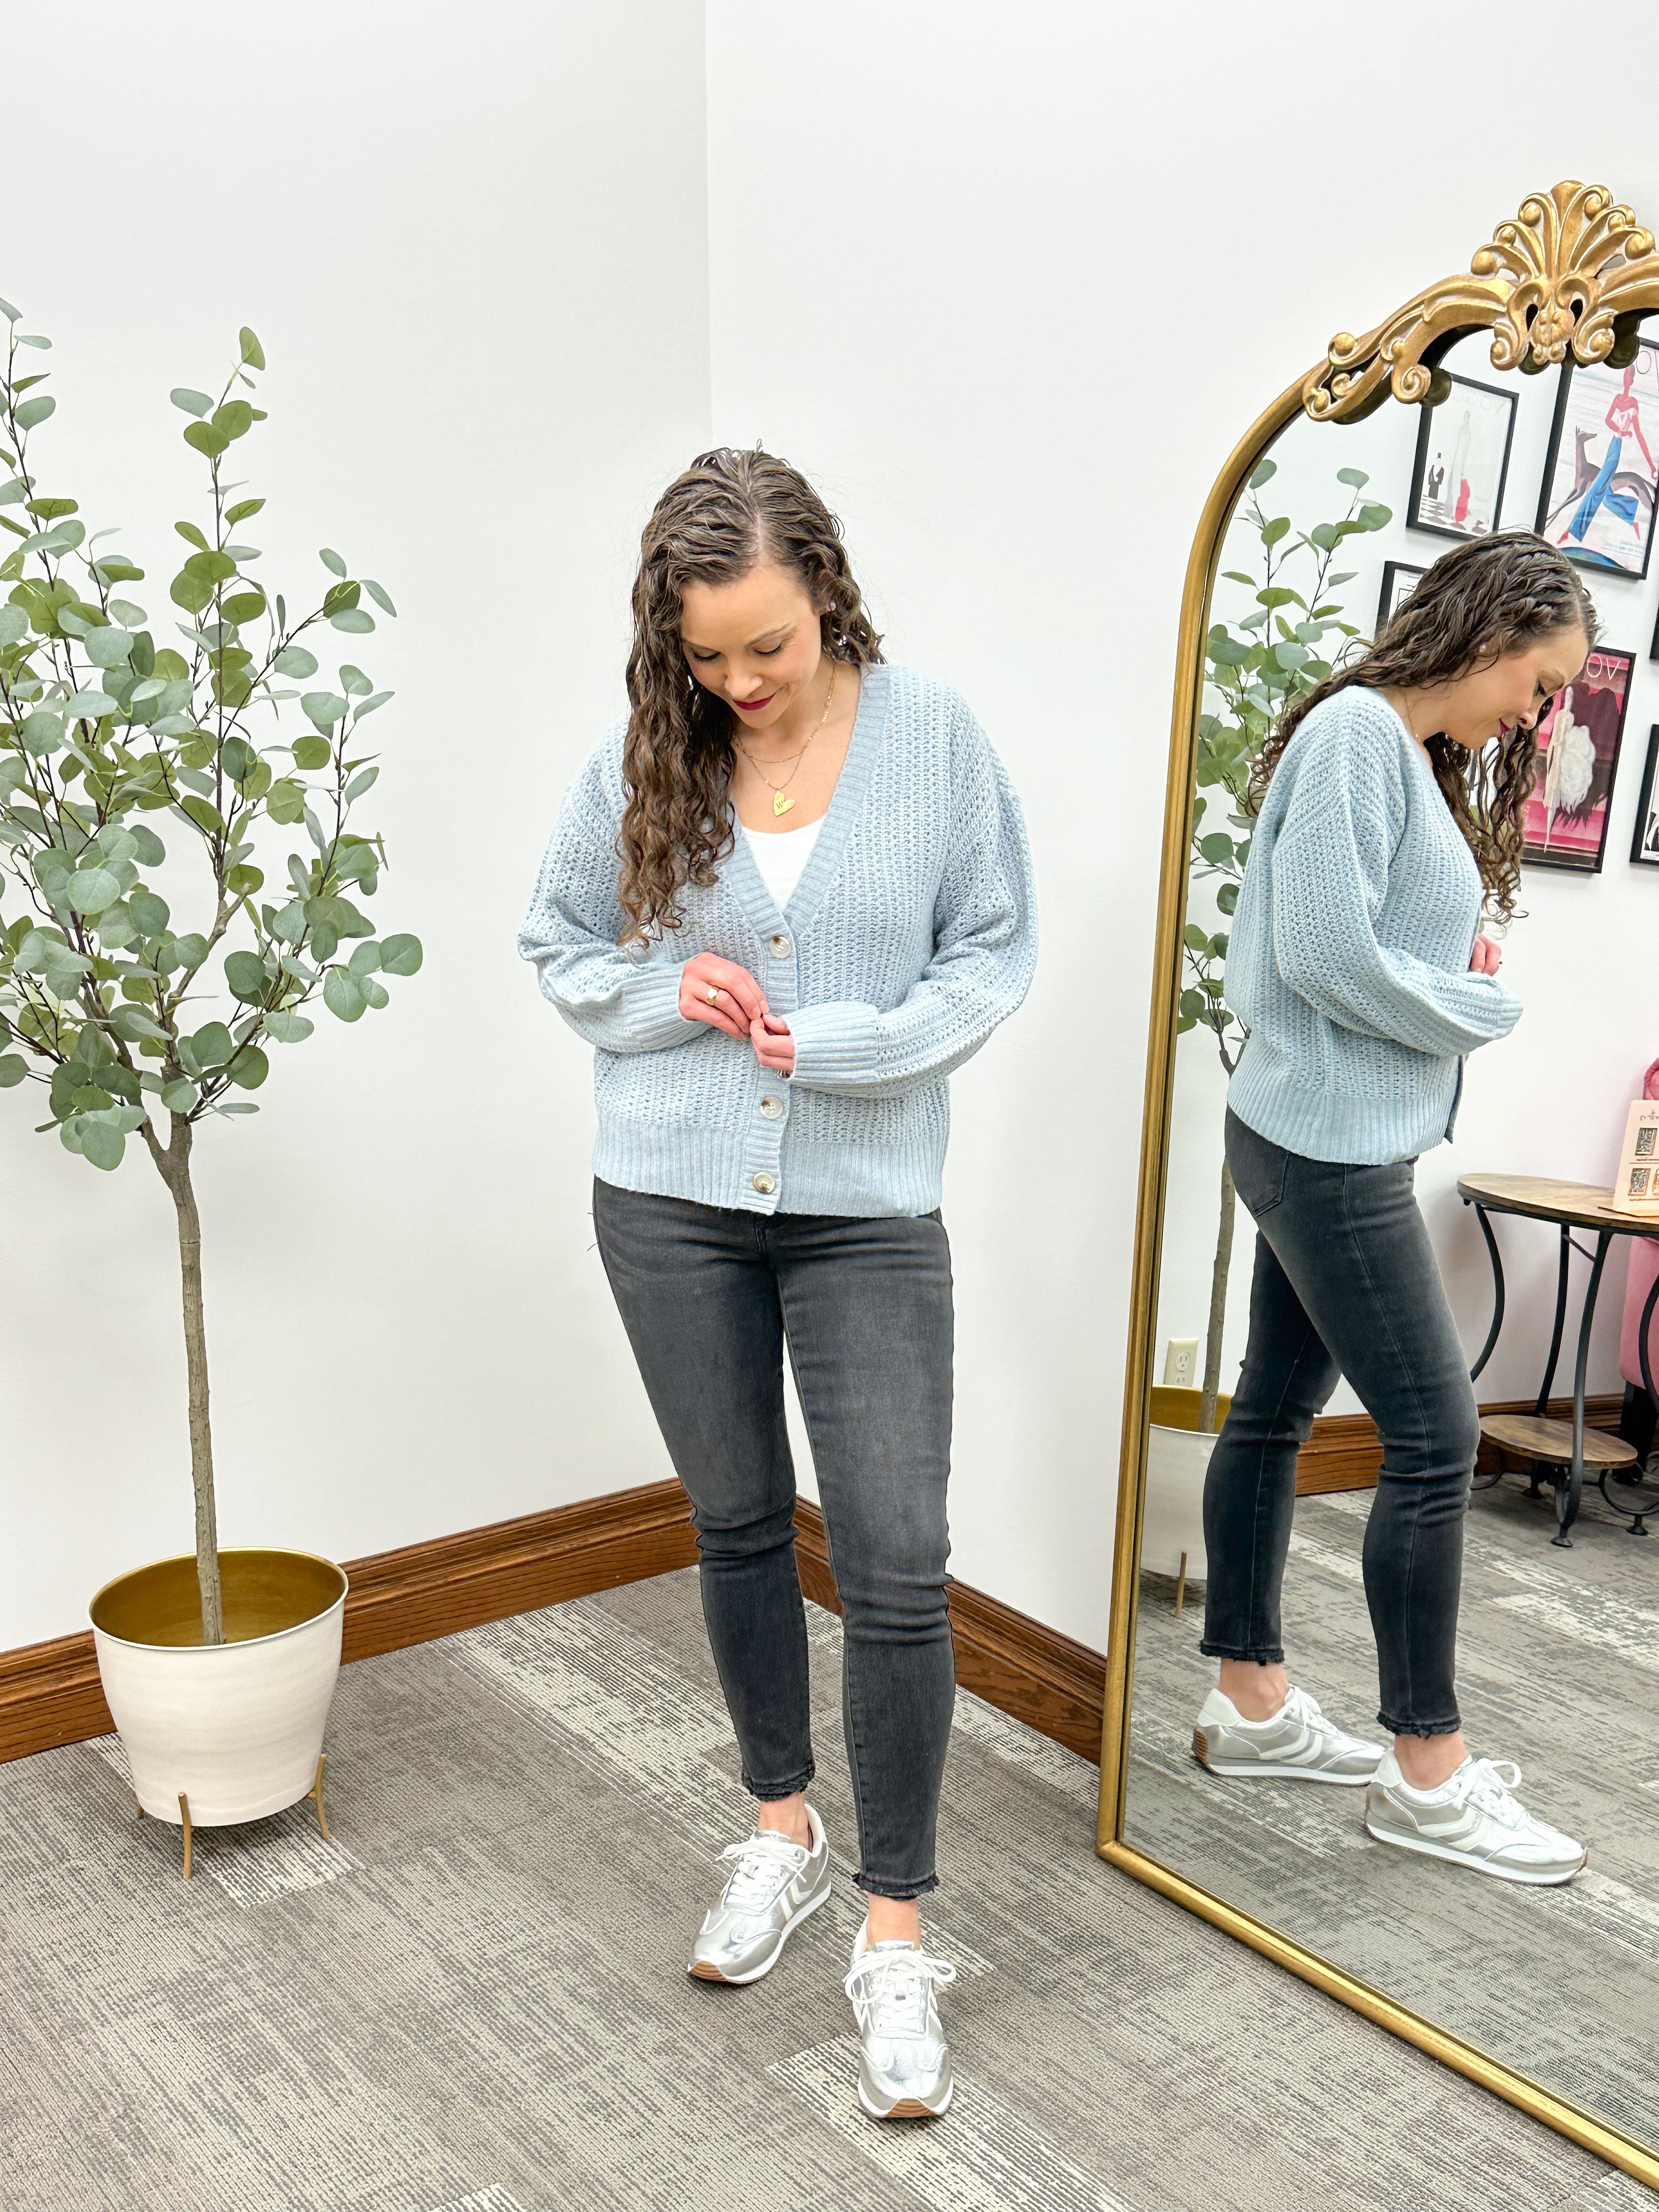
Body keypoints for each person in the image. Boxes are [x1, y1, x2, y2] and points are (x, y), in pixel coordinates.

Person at [519, 447, 1036, 2117]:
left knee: (894, 1558)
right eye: (708, 656)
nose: (739, 683)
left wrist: (853, 1045)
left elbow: (994, 949)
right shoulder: (643, 755)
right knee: (737, 1522)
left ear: (828, 591)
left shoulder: (937, 741)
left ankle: (894, 1930)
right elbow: (558, 948)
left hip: (866, 1204)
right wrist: (682, 989)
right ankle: (778, 1829)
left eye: (770, 648)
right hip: (666, 1196)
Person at [1190, 530, 1594, 1886]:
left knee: (1274, 1410)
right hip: (1328, 1152)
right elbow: (1318, 954)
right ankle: (1429, 1772)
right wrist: (1478, 1004)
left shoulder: (1402, 756)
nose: (1536, 716)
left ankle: (1247, 1705)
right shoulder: (1360, 733)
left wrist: (1442, 963)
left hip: (1316, 1136)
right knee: (1438, 1435)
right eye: (1540, 685)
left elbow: (1359, 942)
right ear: (1491, 633)